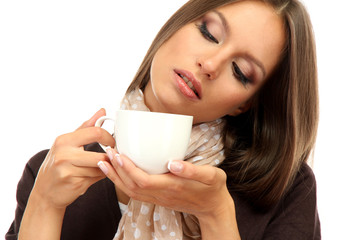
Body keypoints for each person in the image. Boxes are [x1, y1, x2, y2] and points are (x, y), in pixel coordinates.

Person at [6, 0, 321, 239]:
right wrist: (45, 203)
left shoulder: (286, 191)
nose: (210, 64)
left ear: (245, 105)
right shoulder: (52, 172)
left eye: (240, 71)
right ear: (176, 25)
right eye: (209, 33)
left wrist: (216, 216)